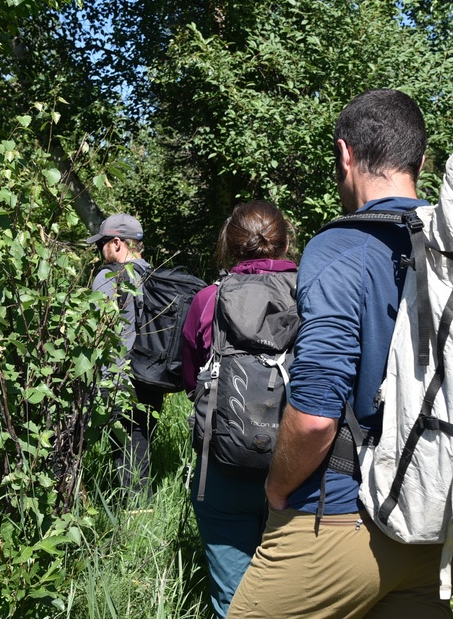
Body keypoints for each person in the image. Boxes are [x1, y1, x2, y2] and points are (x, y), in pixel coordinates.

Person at [227, 90, 453, 618]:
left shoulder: (342, 246)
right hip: (434, 522)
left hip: (339, 517)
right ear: (421, 162)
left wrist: (277, 487)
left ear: (345, 153)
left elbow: (313, 418)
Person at [181, 200, 298, 619]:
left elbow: (193, 380)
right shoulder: (313, 295)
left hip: (223, 469)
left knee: (234, 601)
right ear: (287, 240)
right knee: (295, 601)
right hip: (300, 467)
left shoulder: (208, 299)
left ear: (229, 244)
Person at [86, 213, 167, 497]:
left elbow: (96, 328)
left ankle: (127, 510)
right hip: (153, 376)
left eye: (103, 243)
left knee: (118, 447)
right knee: (139, 443)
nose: (101, 250)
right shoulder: (156, 276)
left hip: (118, 377)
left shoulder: (109, 276)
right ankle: (139, 507)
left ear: (118, 243)